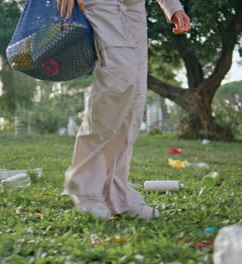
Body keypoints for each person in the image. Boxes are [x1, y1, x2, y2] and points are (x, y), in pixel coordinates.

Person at [57, 0, 191, 220]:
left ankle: (117, 194)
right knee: (118, 80)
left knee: (135, 94)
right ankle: (85, 188)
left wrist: (173, 7)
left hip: (134, 7)